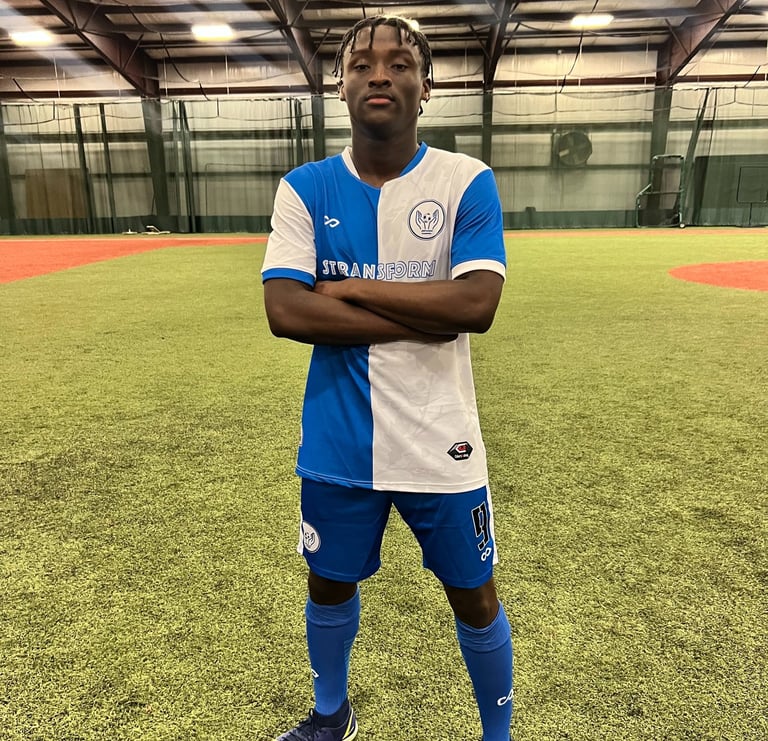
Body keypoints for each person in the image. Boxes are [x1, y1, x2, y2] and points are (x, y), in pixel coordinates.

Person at [261, 14, 513, 741]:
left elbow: (475, 305)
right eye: (362, 64)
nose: (380, 74)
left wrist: (347, 290)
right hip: (340, 441)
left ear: (425, 87)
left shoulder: (466, 181)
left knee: (475, 596)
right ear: (339, 85)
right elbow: (286, 310)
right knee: (327, 584)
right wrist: (425, 314)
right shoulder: (305, 188)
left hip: (443, 441)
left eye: (401, 63)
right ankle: (331, 715)